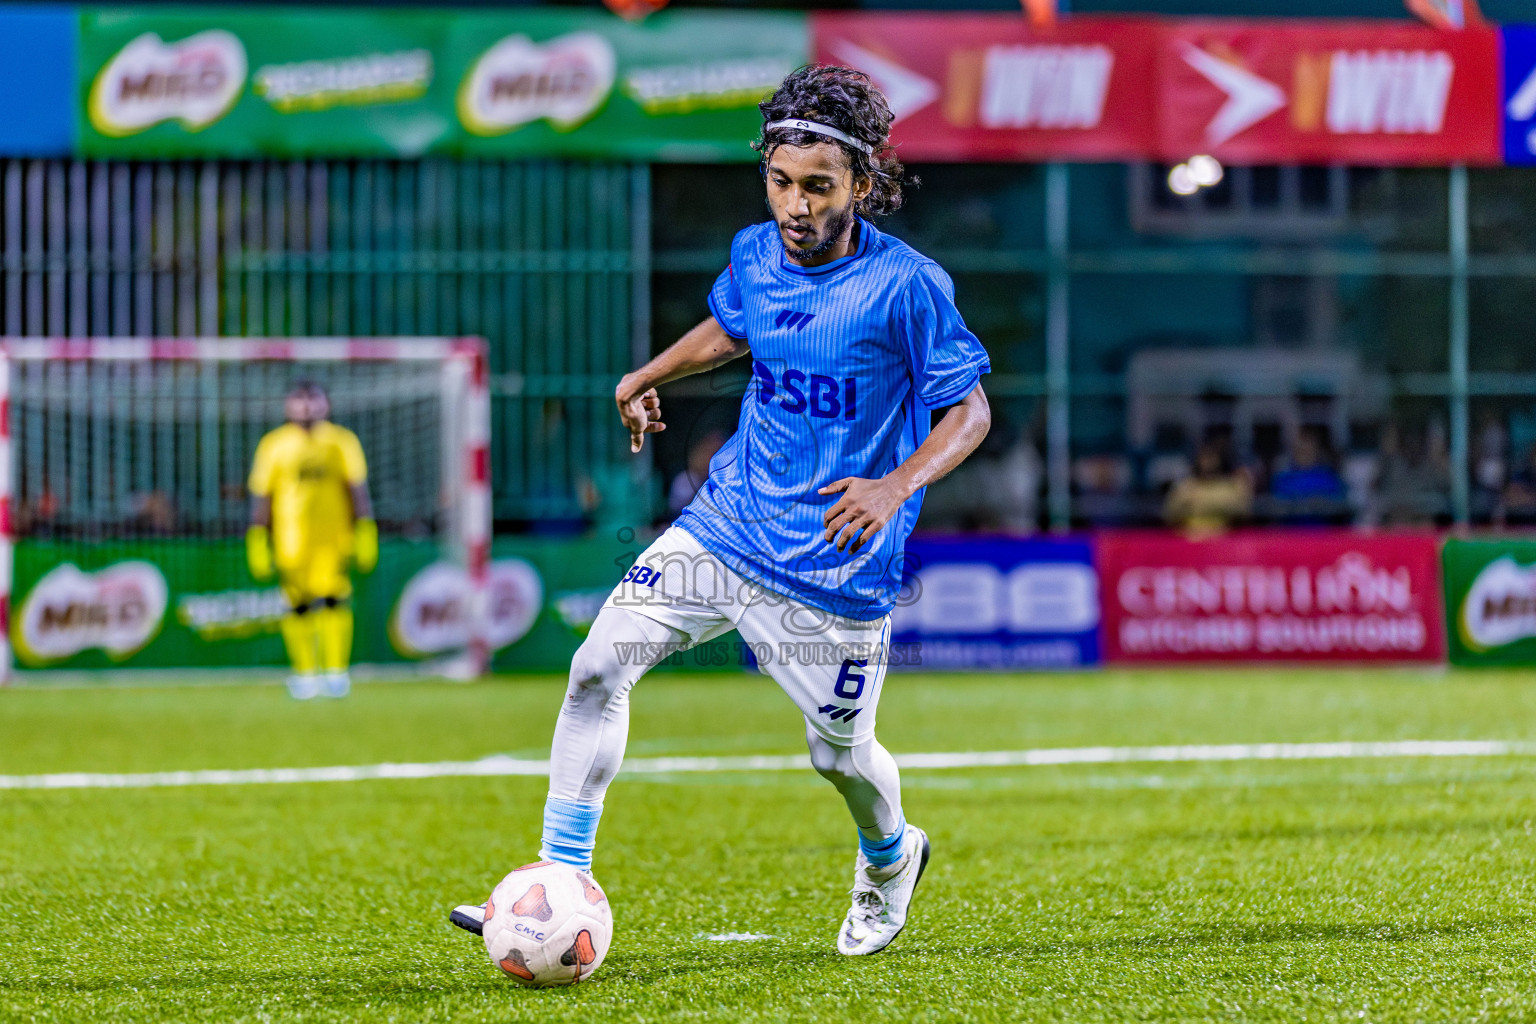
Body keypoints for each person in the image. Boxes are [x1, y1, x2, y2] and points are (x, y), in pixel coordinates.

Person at [450, 65, 991, 955]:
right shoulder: (755, 253)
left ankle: (892, 858)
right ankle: (558, 880)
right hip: (727, 524)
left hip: (835, 561)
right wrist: (648, 373)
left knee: (837, 755)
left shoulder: (907, 286)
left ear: (862, 184)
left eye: (818, 187)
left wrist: (893, 487)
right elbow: (735, 327)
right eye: (780, 182)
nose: (795, 206)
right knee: (597, 668)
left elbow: (969, 413)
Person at [246, 382, 377, 700]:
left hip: (333, 539)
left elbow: (356, 488)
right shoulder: (273, 444)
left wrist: (365, 528)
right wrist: (257, 536)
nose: (306, 406)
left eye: (313, 399)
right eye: (299, 400)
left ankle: (336, 672)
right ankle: (304, 673)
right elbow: (263, 495)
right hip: (291, 540)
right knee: (298, 604)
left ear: (326, 404)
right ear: (287, 406)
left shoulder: (341, 441)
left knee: (334, 600)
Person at [1163, 439, 1251, 534]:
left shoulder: (1229, 486)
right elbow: (1169, 514)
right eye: (1205, 457)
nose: (1208, 462)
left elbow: (1243, 512)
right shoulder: (1185, 486)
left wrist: (1198, 501)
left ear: (1219, 459)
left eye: (1212, 457)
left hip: (1222, 537)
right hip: (1189, 537)